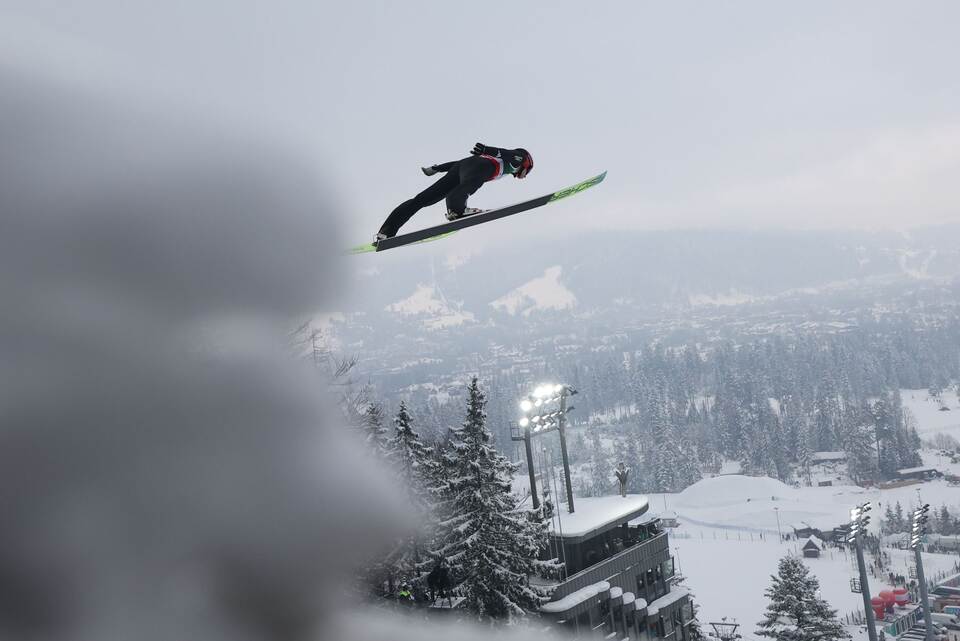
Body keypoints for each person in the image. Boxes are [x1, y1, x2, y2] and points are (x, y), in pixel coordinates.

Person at [376, 142, 534, 242]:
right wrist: (487, 149)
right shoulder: (518, 158)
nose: (524, 176)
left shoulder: (506, 165)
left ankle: (386, 232)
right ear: (527, 163)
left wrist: (436, 169)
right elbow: (505, 152)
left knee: (421, 200)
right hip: (479, 167)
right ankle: (457, 210)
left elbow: (460, 163)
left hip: (461, 167)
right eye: (527, 172)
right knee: (471, 183)